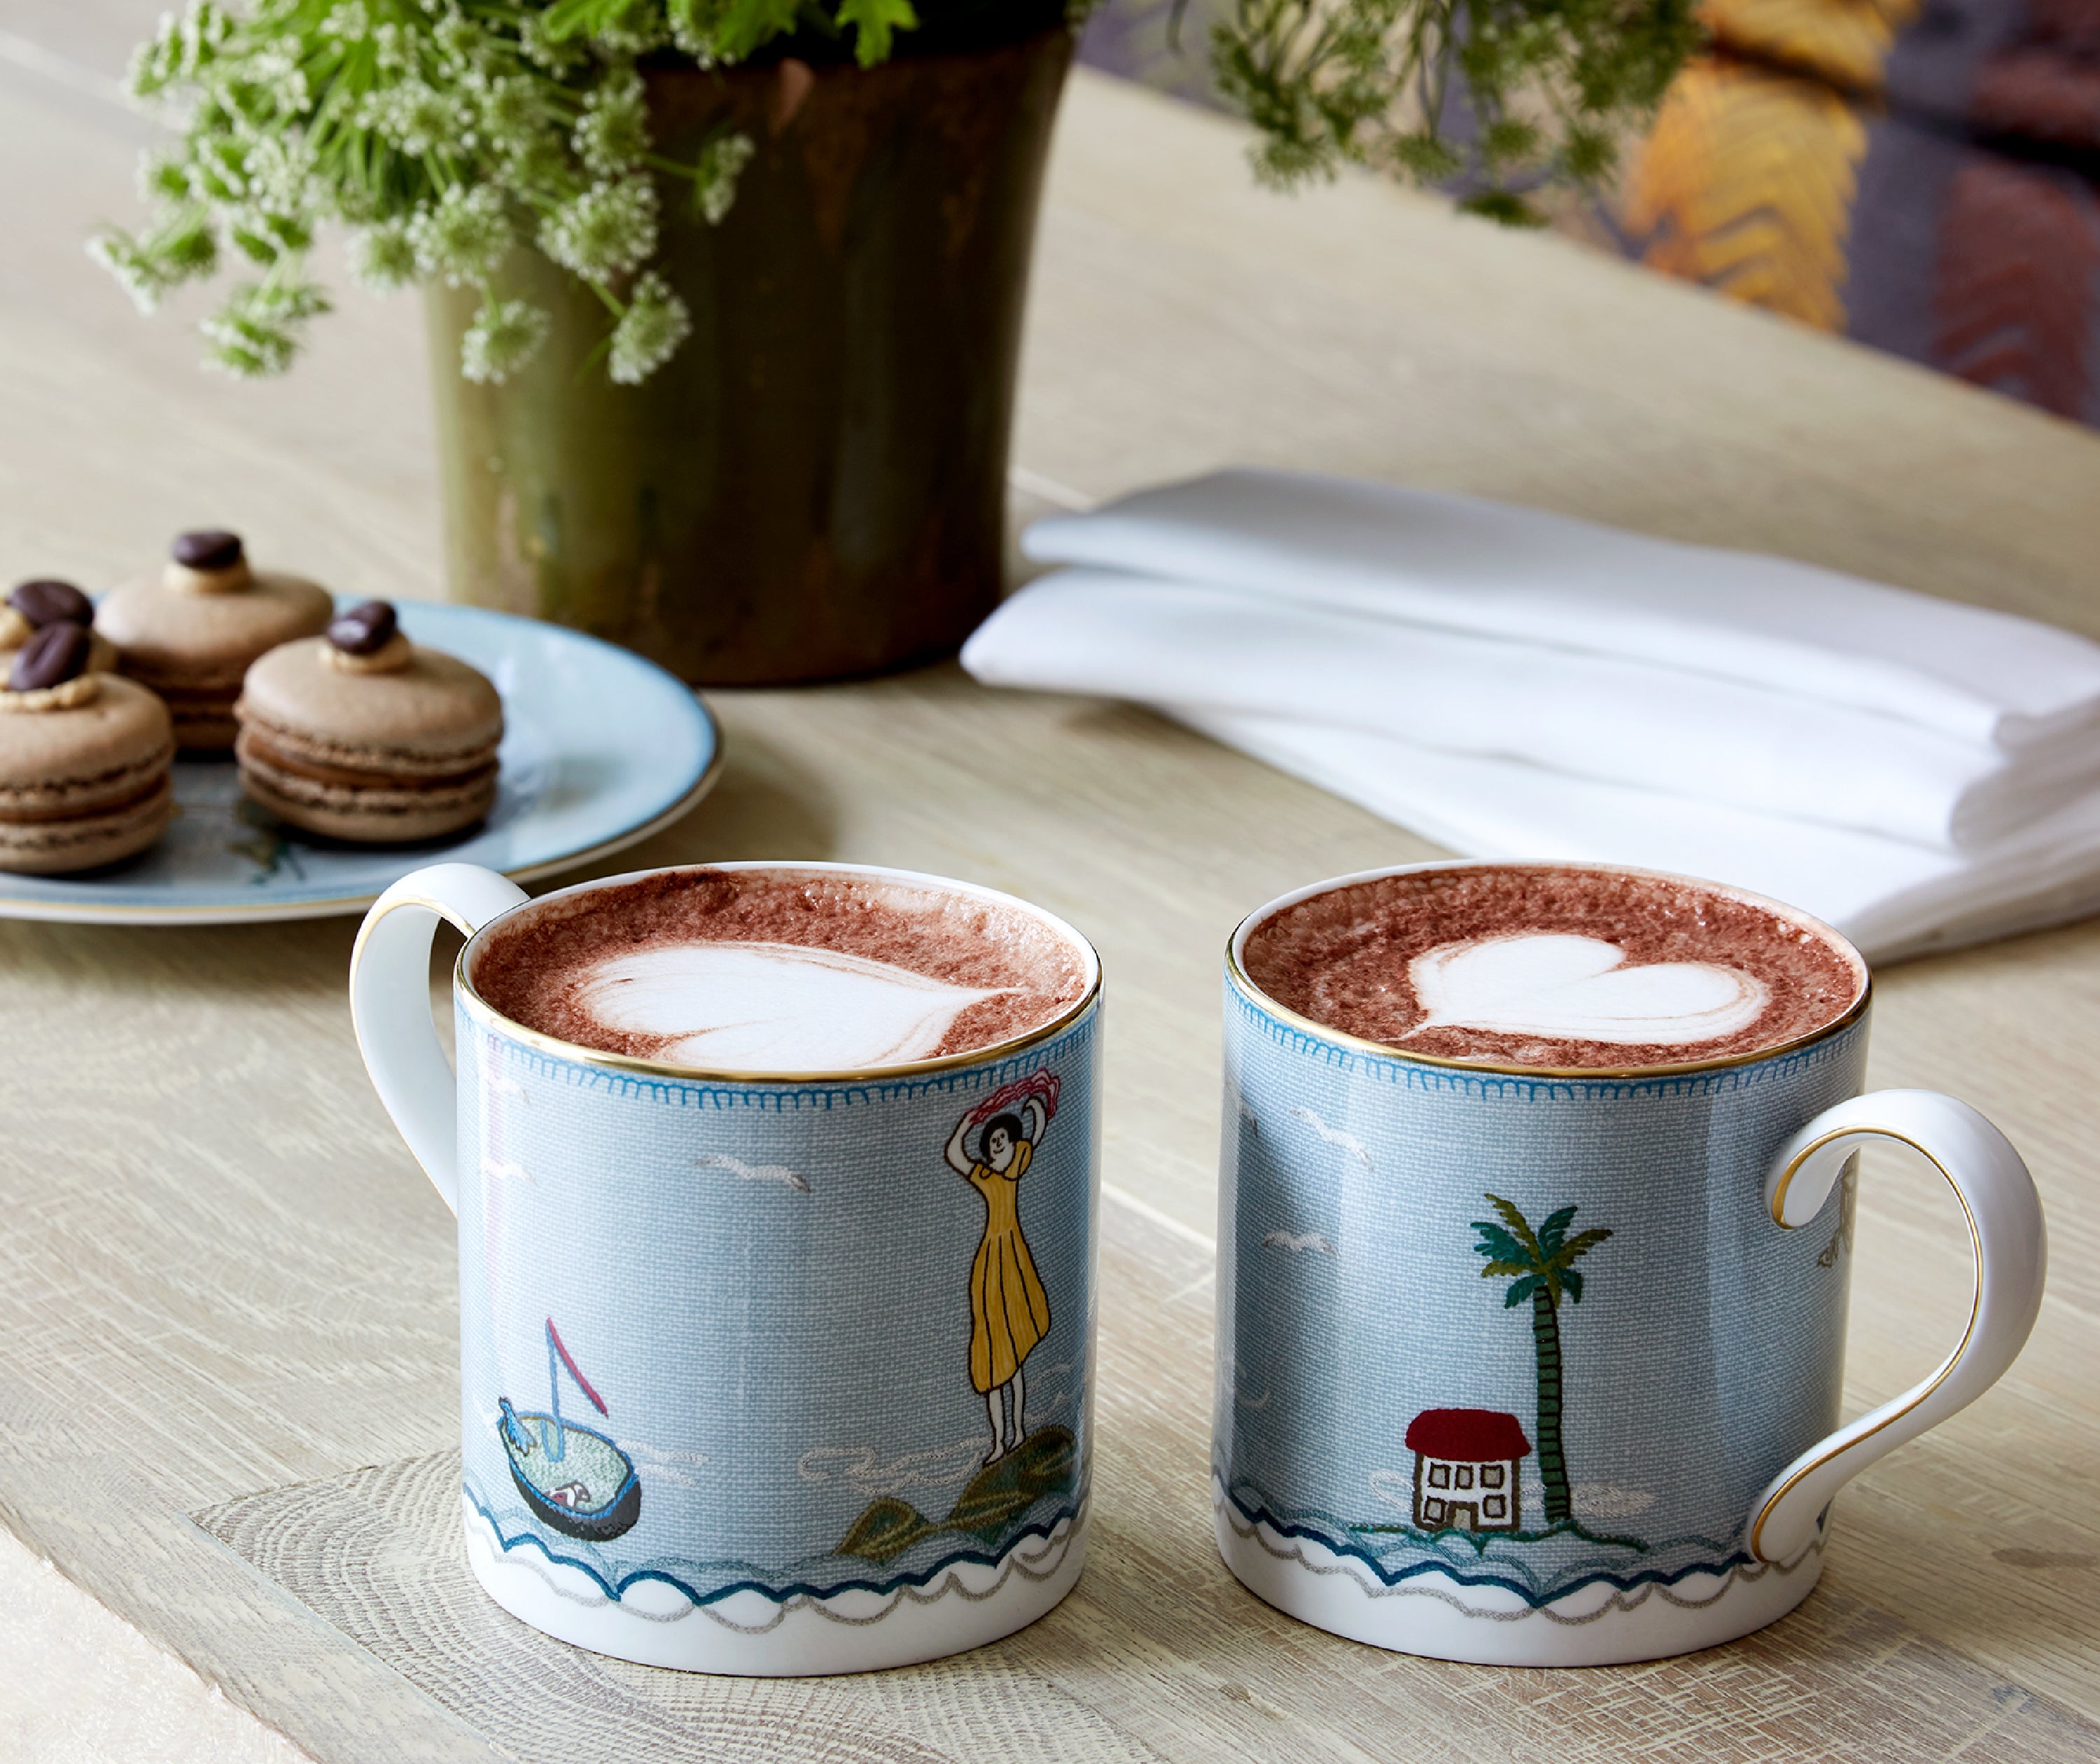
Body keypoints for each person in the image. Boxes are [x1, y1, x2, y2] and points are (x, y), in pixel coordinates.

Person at [945, 1096, 1052, 1464]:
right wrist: (966, 1123)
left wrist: (1038, 1107)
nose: (997, 1148)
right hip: (991, 1265)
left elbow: (1035, 1135)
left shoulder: (1013, 1173)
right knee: (993, 1359)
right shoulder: (989, 1178)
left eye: (1002, 1141)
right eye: (992, 1144)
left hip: (1010, 1261)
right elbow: (957, 1156)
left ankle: (1018, 1431)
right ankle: (998, 1442)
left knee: (1015, 1355)